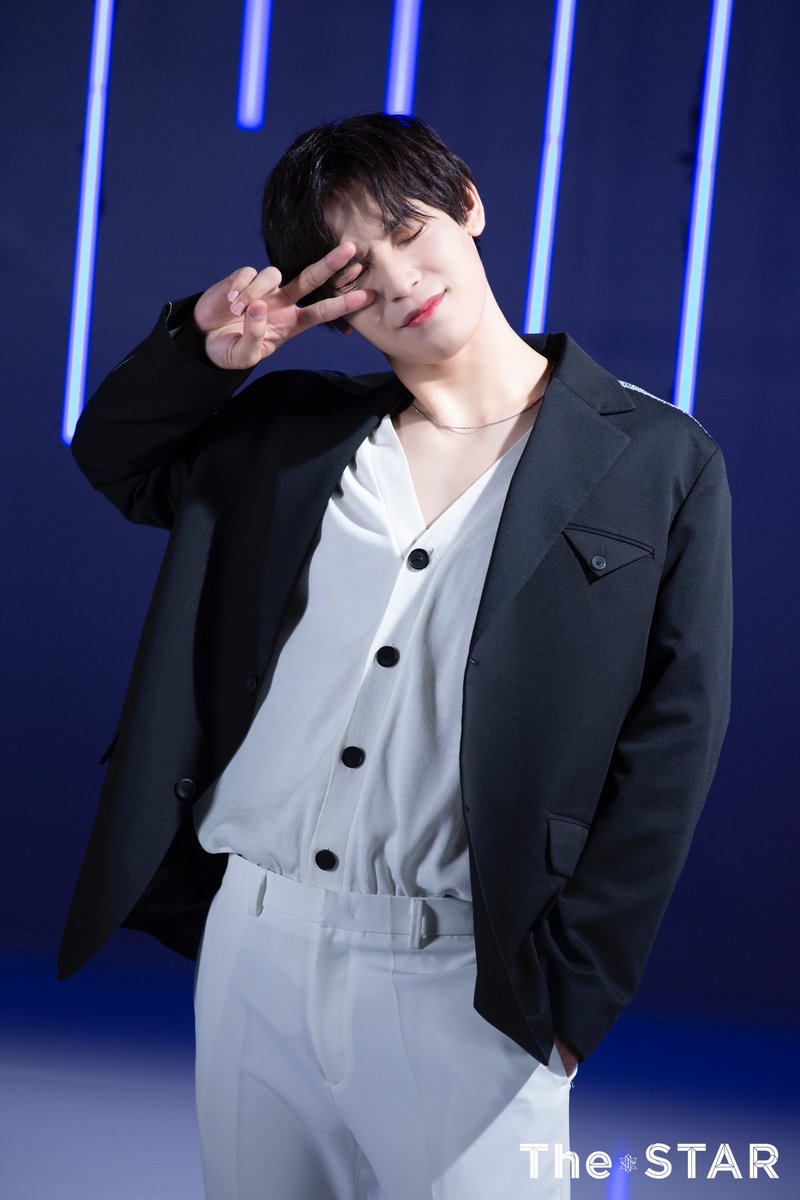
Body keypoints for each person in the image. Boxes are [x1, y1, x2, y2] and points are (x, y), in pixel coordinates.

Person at [58, 113, 733, 1199]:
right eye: (353, 267)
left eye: (410, 230)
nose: (399, 279)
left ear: (469, 205)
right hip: (254, 947)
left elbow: (673, 738)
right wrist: (198, 350)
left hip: (470, 972)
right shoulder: (288, 435)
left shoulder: (657, 458)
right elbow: (116, 460)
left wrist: (572, 1000)